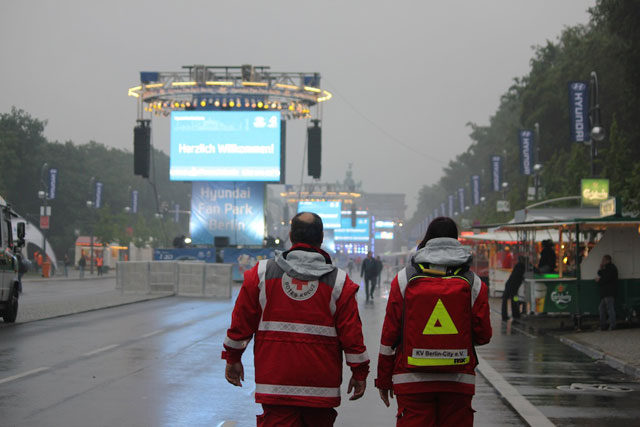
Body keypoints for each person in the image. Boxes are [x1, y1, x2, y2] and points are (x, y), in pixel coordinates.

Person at [223, 212, 369, 426]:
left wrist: (233, 358)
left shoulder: (261, 274)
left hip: (275, 384)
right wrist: (359, 372)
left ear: (291, 236)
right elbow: (352, 334)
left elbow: (241, 323)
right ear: (320, 238)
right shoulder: (339, 282)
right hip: (321, 388)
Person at [376, 217, 492, 426]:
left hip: (411, 381)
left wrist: (383, 379)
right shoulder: (475, 283)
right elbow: (483, 335)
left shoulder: (403, 280)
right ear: (456, 240)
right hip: (458, 381)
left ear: (428, 238)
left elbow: (389, 337)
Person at [596, 254, 618, 331]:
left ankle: (611, 325)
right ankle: (604, 325)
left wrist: (599, 281)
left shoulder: (610, 268)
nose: (602, 262)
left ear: (607, 260)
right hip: (607, 292)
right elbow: (600, 273)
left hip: (608, 292)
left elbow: (605, 279)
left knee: (608, 309)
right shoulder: (609, 268)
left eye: (603, 260)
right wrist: (601, 268)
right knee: (604, 308)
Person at [502, 256, 526, 320]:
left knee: (506, 299)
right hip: (514, 286)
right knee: (514, 299)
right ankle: (515, 314)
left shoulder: (517, 266)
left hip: (509, 284)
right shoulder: (523, 267)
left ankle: (505, 315)